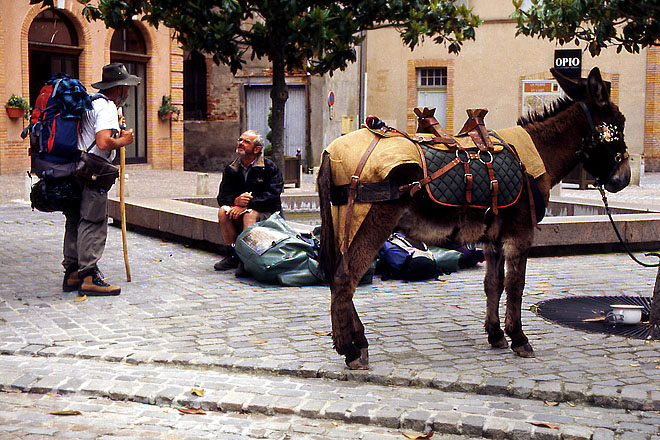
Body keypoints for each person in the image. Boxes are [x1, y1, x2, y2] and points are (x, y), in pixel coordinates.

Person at [61, 63, 141, 296]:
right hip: (93, 172)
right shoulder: (105, 107)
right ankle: (88, 276)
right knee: (93, 221)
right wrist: (123, 141)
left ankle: (72, 273)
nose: (128, 91)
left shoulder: (91, 103)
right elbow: (104, 142)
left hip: (76, 167)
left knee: (75, 220)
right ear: (119, 88)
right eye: (126, 87)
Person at [214, 130, 284, 274]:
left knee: (249, 215)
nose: (241, 143)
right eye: (240, 140)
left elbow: (273, 196)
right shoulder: (231, 168)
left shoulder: (269, 168)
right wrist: (236, 201)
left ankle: (248, 260)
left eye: (246, 142)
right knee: (223, 212)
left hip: (267, 212)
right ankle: (233, 254)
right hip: (243, 208)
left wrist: (247, 205)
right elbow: (222, 197)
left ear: (257, 149)